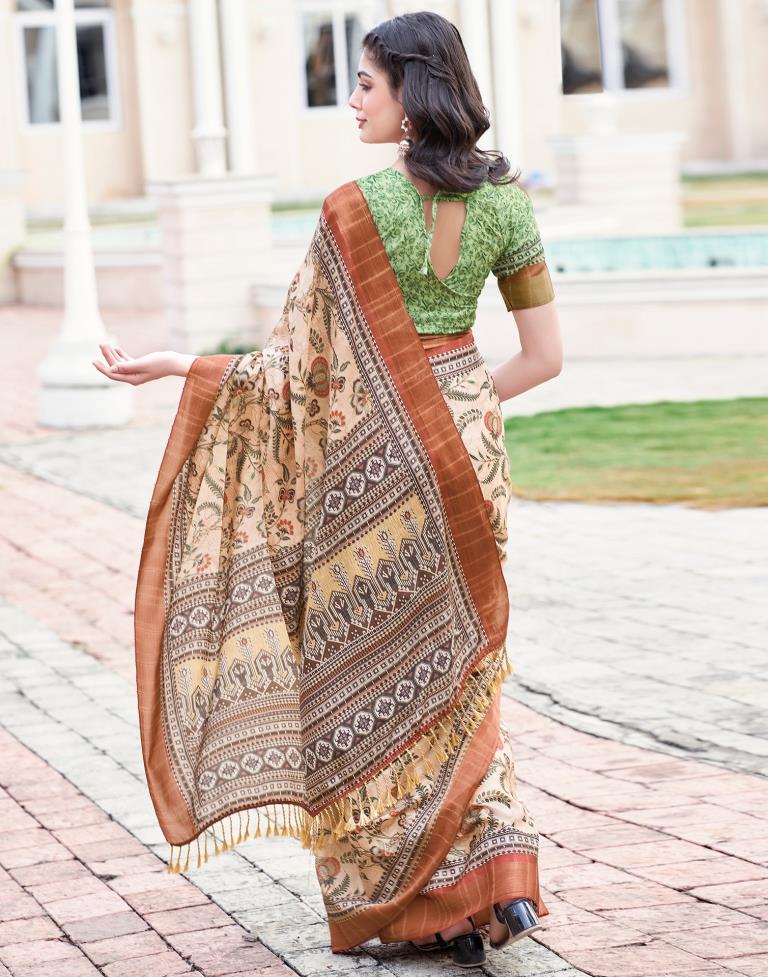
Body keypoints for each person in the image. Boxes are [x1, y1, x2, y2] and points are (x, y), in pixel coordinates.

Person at [93, 10, 562, 971]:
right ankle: (488, 882)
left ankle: (411, 905)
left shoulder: (352, 209)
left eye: (365, 84)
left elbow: (291, 378)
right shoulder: (509, 204)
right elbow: (545, 360)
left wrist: (181, 366)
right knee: (460, 673)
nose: (352, 102)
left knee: (375, 678)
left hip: (370, 481)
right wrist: (458, 402)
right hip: (468, 465)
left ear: (412, 90)